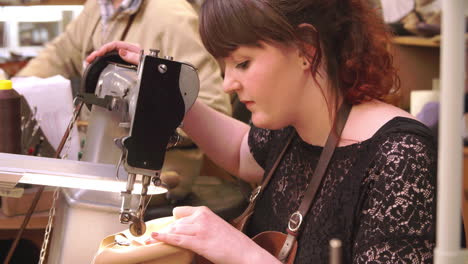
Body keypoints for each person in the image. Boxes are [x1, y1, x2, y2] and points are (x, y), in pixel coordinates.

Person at [87, 0, 437, 263]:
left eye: (242, 63)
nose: (227, 84)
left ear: (305, 50)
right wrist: (168, 92)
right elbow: (244, 151)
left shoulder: (400, 156)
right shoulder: (292, 129)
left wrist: (241, 252)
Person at [16, 0, 232, 200]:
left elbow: (214, 106)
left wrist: (144, 120)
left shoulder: (173, 16)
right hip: (101, 164)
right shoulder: (99, 7)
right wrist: (13, 86)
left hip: (155, 176)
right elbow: (58, 54)